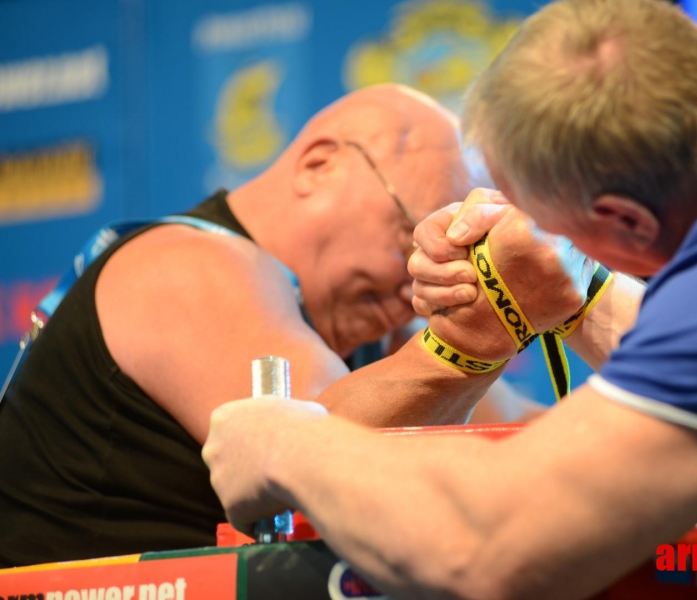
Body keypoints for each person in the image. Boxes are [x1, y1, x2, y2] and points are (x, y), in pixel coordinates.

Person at [203, 0, 697, 598]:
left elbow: (487, 549)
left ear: (625, 221)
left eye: (565, 229)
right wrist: (572, 285)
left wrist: (285, 442)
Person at [0, 84, 568, 567]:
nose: (421, 275)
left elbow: (532, 433)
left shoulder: (379, 312)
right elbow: (313, 457)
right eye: (411, 234)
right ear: (319, 165)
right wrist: (479, 332)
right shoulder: (185, 264)